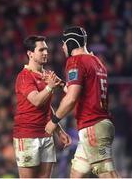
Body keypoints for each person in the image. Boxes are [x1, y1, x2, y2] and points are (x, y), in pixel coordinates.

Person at [45, 26, 120, 178]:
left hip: (92, 126)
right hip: (99, 124)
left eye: (64, 43)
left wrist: (53, 121)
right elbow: (83, 94)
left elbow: (71, 99)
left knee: (108, 174)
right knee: (76, 173)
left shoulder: (75, 61)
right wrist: (62, 86)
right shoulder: (96, 61)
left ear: (71, 42)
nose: (62, 47)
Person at [13, 35, 72, 178]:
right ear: (30, 54)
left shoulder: (47, 75)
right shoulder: (24, 76)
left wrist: (59, 132)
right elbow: (36, 101)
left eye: (46, 49)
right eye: (41, 50)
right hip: (27, 135)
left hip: (46, 134)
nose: (46, 52)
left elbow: (49, 104)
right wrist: (50, 87)